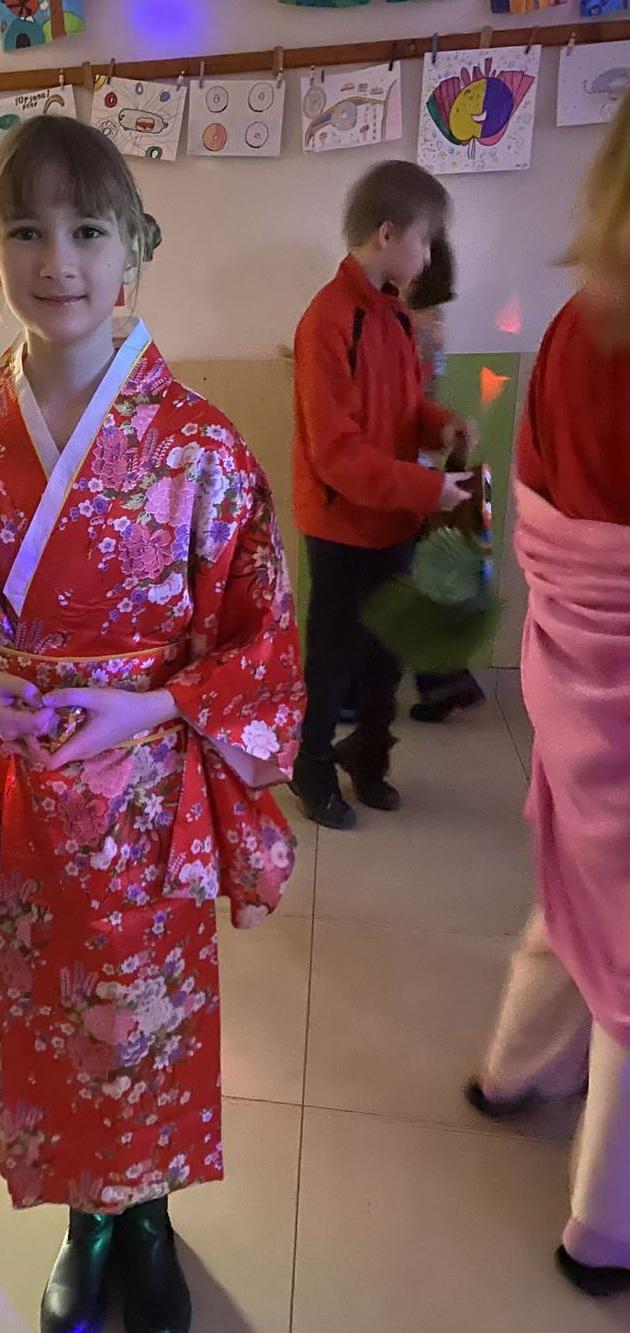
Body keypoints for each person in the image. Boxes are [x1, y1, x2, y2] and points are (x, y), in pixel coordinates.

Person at [0, 117, 305, 1333]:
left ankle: (145, 1215)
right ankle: (81, 1217)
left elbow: (261, 636)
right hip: (13, 793)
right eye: (25, 230)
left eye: (88, 230)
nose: (57, 259)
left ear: (134, 250)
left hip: (144, 795)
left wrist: (149, 702)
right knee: (39, 1010)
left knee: (141, 1013)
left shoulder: (199, 446)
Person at [464, 93, 630, 1298]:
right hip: (609, 673)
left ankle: (511, 1071)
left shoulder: (578, 324)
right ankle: (604, 1226)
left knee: (581, 888)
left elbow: (540, 500)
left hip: (572, 674)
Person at [289, 161, 473, 831]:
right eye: (425, 240)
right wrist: (430, 487)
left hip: (394, 516)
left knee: (385, 653)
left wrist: (440, 425)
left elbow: (404, 409)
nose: (428, 255)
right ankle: (311, 765)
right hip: (342, 526)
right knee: (334, 658)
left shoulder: (394, 314)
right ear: (387, 234)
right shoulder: (327, 320)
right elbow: (336, 455)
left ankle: (369, 753)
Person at [405, 232, 486, 724]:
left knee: (406, 581)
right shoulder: (433, 323)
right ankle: (446, 680)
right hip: (422, 464)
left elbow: (402, 400)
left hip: (406, 471)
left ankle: (446, 680)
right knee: (424, 580)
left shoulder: (409, 325)